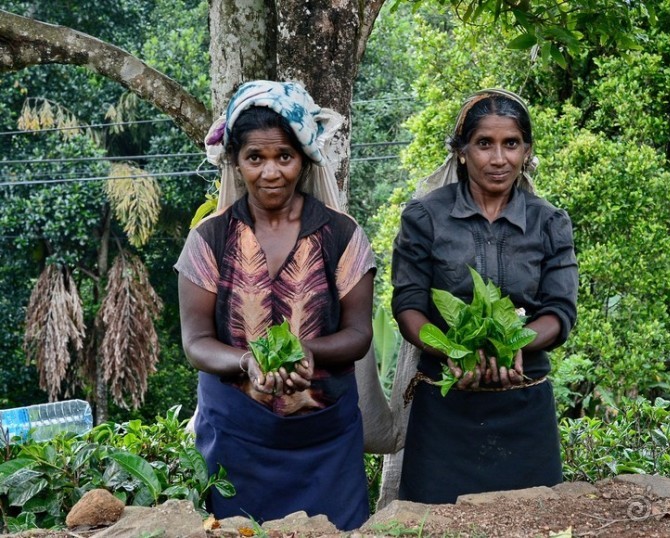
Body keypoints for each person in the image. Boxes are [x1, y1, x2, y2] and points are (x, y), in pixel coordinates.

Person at [175, 81, 376, 529]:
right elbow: (196, 343)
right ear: (236, 161)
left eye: (284, 156)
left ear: (304, 159)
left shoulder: (342, 235)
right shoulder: (210, 238)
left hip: (326, 442)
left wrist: (312, 351)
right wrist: (247, 362)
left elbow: (359, 334)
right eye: (255, 158)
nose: (271, 172)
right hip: (236, 439)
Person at [390, 88, 579, 504]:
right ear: (461, 151)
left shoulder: (549, 222)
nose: (499, 159)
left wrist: (517, 342)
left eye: (511, 144)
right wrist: (454, 351)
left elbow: (561, 310)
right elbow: (407, 307)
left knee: (532, 523)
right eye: (484, 144)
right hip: (444, 405)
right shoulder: (424, 218)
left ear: (526, 151)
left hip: (524, 403)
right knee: (436, 525)